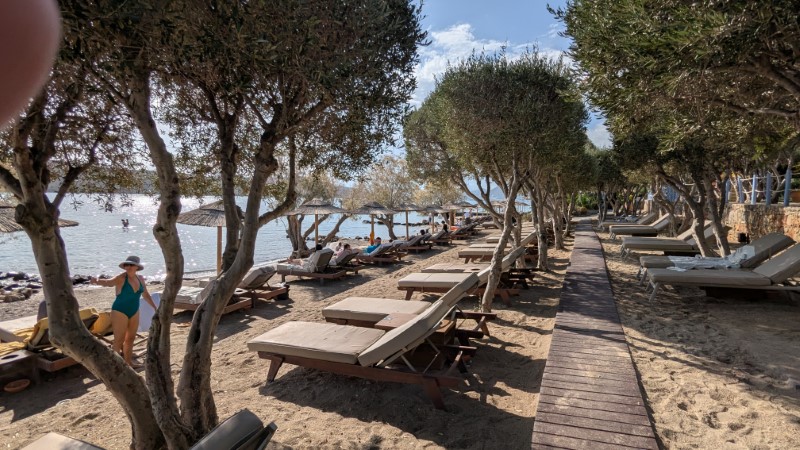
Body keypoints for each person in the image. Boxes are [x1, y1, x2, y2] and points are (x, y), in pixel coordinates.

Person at [89, 256, 155, 368]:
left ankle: (128, 363)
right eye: (126, 265)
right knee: (119, 340)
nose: (128, 267)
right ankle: (116, 367)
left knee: (130, 339)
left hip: (134, 311)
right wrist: (96, 281)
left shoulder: (141, 279)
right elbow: (108, 282)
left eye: (131, 265)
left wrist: (155, 308)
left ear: (137, 267)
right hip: (119, 311)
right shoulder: (121, 278)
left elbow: (146, 294)